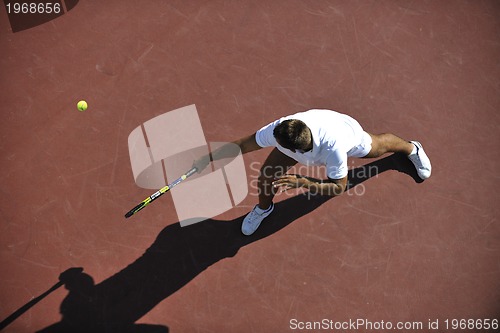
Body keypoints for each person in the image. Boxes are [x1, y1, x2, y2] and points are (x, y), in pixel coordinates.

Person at [194, 109, 431, 236]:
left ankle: (412, 147)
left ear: (293, 148)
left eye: (277, 144)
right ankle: (264, 208)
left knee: (379, 147)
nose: (270, 142)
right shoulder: (280, 129)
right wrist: (209, 157)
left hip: (346, 131)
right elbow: (244, 145)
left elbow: (338, 186)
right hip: (305, 142)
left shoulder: (335, 149)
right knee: (266, 177)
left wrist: (303, 181)